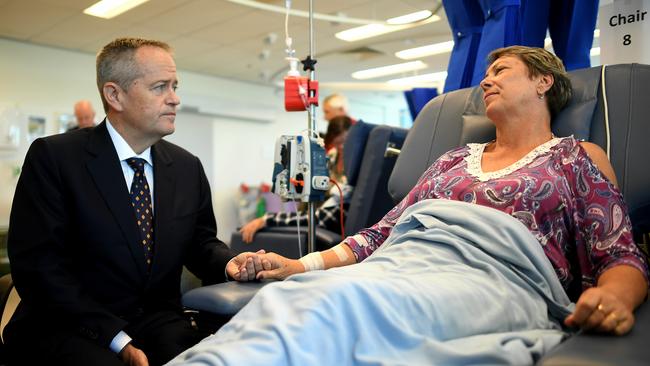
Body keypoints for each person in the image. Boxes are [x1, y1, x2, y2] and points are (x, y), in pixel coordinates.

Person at [171, 46, 648, 364]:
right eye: (484, 75)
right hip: (402, 264)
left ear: (544, 82)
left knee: (342, 303)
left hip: (490, 278)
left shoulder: (574, 157)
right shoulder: (454, 160)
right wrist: (299, 265)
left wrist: (615, 299)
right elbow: (380, 234)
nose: (486, 82)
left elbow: (620, 254)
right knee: (295, 297)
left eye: (500, 72)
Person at [6, 37, 265, 366]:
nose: (175, 99)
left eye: (175, 86)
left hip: (157, 320)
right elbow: (39, 269)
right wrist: (117, 340)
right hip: (71, 322)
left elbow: (200, 242)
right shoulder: (56, 158)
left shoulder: (186, 167)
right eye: (160, 87)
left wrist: (229, 263)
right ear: (115, 95)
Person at [239, 116, 353, 244]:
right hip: (313, 210)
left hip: (323, 216)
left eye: (345, 141)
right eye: (337, 143)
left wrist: (266, 219)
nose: (341, 147)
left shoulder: (353, 169)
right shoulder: (331, 157)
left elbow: (317, 218)